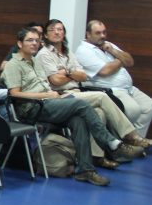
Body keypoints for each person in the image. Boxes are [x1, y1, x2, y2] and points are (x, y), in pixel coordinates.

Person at [1, 27, 145, 186]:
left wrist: (56, 95)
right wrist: (46, 95)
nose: (34, 43)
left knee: (78, 120)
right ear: (19, 43)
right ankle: (112, 143)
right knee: (80, 104)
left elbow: (48, 85)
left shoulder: (35, 61)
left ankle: (86, 170)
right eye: (30, 40)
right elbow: (14, 94)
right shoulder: (13, 64)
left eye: (37, 40)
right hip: (31, 109)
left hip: (49, 102)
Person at [36, 19, 151, 168]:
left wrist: (68, 73)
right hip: (61, 95)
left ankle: (97, 157)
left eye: (60, 29)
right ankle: (129, 137)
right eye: (53, 30)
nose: (58, 32)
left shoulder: (67, 52)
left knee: (99, 113)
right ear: (45, 34)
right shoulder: (44, 54)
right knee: (102, 97)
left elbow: (83, 76)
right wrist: (72, 73)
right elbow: (56, 80)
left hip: (76, 92)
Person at [76, 19, 152, 139]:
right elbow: (105, 71)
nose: (102, 36)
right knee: (134, 110)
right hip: (110, 89)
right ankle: (122, 143)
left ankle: (135, 142)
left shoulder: (108, 45)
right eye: (98, 33)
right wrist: (120, 59)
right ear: (88, 34)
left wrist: (112, 50)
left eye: (104, 32)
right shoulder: (83, 51)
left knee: (149, 107)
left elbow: (130, 61)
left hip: (128, 88)